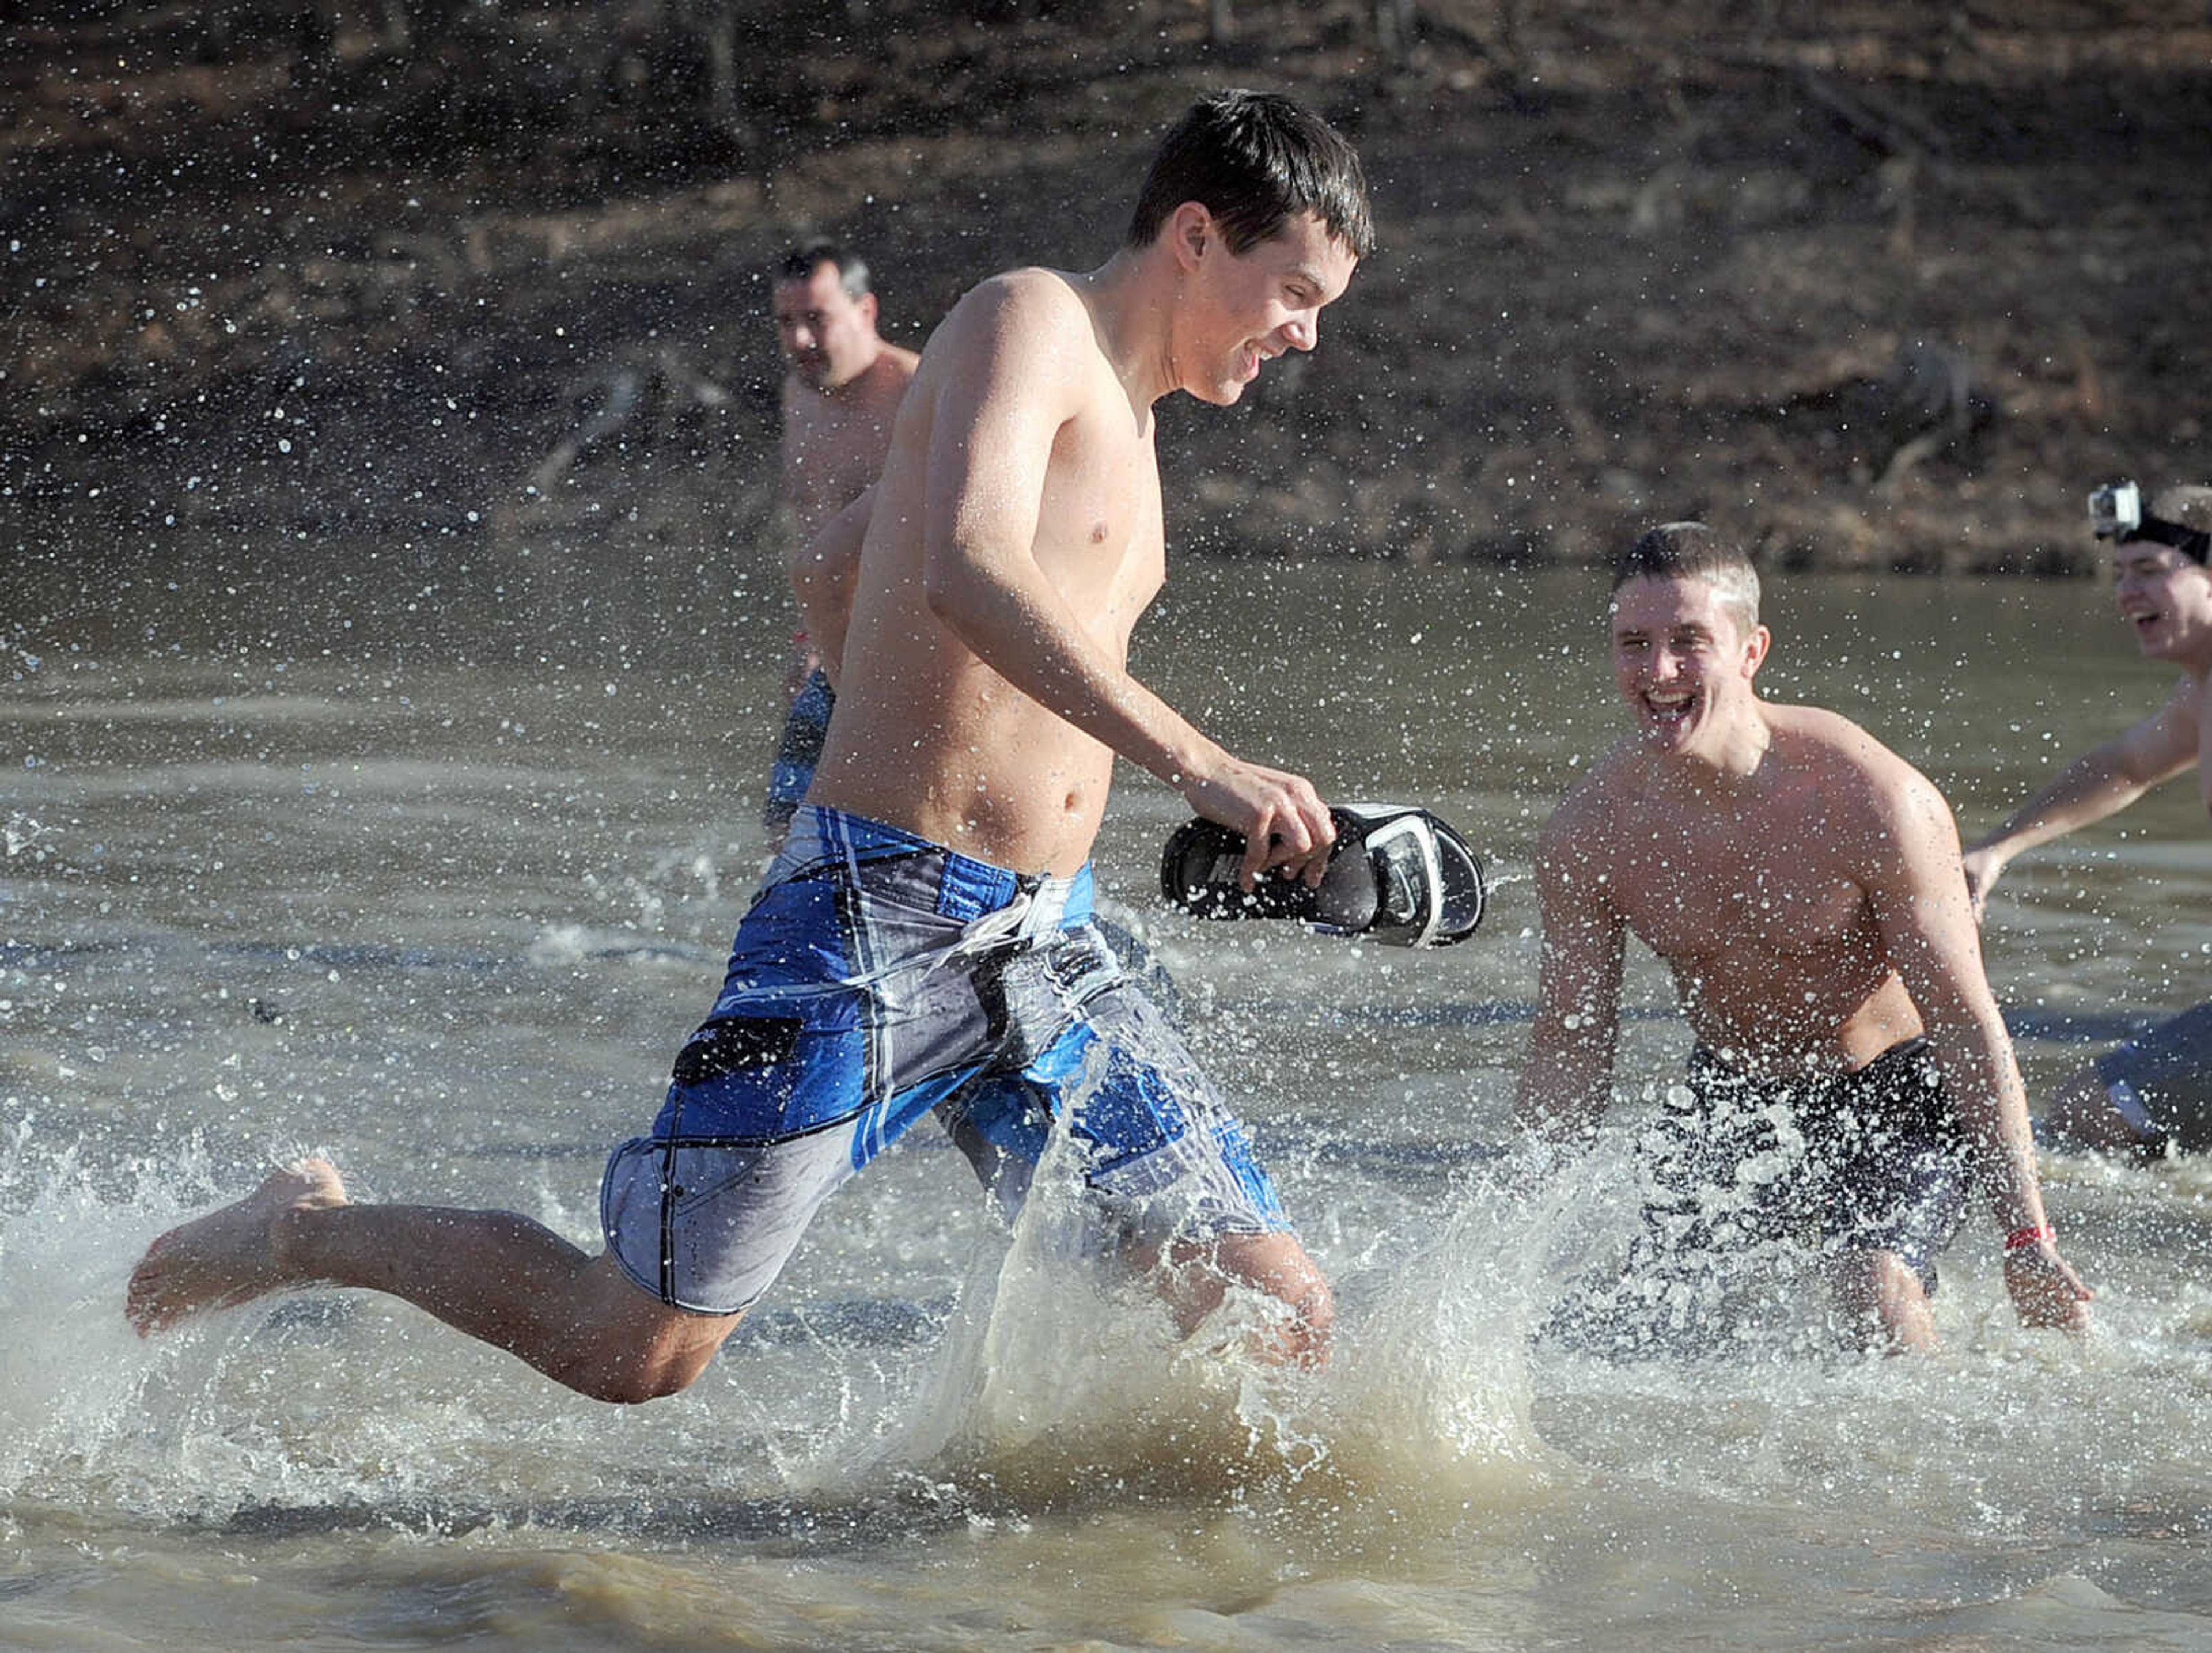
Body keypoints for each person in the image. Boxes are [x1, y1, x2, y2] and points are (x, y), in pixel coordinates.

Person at [127, 89, 1373, 1399]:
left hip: (1047, 942)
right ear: (1192, 237)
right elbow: (960, 559)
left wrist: (924, 720)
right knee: (632, 1346)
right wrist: (1188, 764)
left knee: (1272, 1309)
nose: (1300, 335)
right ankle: (298, 1232)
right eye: (1291, 292)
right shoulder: (1029, 322)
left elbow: (839, 561)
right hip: (876, 914)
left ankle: (1080, 1568)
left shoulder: (1134, 417)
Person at [1514, 523, 2092, 1353]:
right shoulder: (1592, 831)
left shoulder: (1870, 797)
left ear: (1751, 651)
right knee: (1638, 1328)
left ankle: (1912, 1469)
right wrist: (1522, 1225)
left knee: (1874, 1297)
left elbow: (1968, 1023)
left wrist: (2028, 1241)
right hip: (1736, 1091)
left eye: (1689, 643)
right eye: (1634, 644)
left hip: (1896, 1089)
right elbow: (1572, 1043)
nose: (1659, 672)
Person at [1963, 483, 2212, 1155]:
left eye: (2152, 571)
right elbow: (2126, 767)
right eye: (2120, 574)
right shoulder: (2199, 695)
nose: (2127, 592)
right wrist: (1998, 848)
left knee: (2094, 1112)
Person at [762, 241, 920, 833]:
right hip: (821, 653)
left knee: (902, 844)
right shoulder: (797, 397)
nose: (800, 340)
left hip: (904, 658)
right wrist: (808, 638)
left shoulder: (921, 392)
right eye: (786, 322)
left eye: (817, 319)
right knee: (789, 835)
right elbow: (813, 530)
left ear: (866, 311)